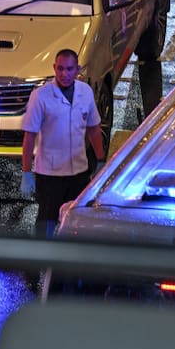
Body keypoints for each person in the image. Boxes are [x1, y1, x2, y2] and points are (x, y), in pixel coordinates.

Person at [19, 48, 105, 239]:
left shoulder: (86, 92)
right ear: (54, 68)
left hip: (79, 171)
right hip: (50, 173)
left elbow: (93, 128)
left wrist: (100, 160)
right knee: (47, 220)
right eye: (60, 69)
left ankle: (69, 261)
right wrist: (26, 171)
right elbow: (30, 136)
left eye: (69, 69)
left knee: (75, 218)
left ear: (77, 69)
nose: (64, 74)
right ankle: (41, 261)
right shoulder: (40, 96)